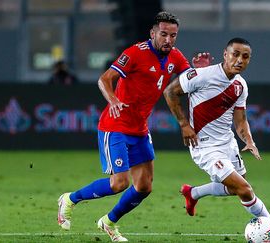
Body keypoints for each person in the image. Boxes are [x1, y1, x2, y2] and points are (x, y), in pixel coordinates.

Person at [57, 12, 212, 242]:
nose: (168, 40)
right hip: (115, 125)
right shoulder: (135, 53)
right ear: (153, 33)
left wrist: (201, 71)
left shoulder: (176, 57)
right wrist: (114, 100)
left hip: (139, 129)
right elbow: (105, 79)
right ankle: (70, 199)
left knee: (144, 186)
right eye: (163, 34)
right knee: (120, 183)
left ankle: (109, 222)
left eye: (173, 35)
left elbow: (191, 81)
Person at [163, 37, 270, 243]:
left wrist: (249, 141)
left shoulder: (240, 85)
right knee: (244, 189)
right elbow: (170, 91)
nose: (240, 60)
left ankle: (193, 193)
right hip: (205, 147)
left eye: (245, 57)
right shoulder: (201, 75)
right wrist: (184, 125)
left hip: (228, 143)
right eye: (235, 54)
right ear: (225, 55)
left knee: (234, 188)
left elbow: (241, 120)